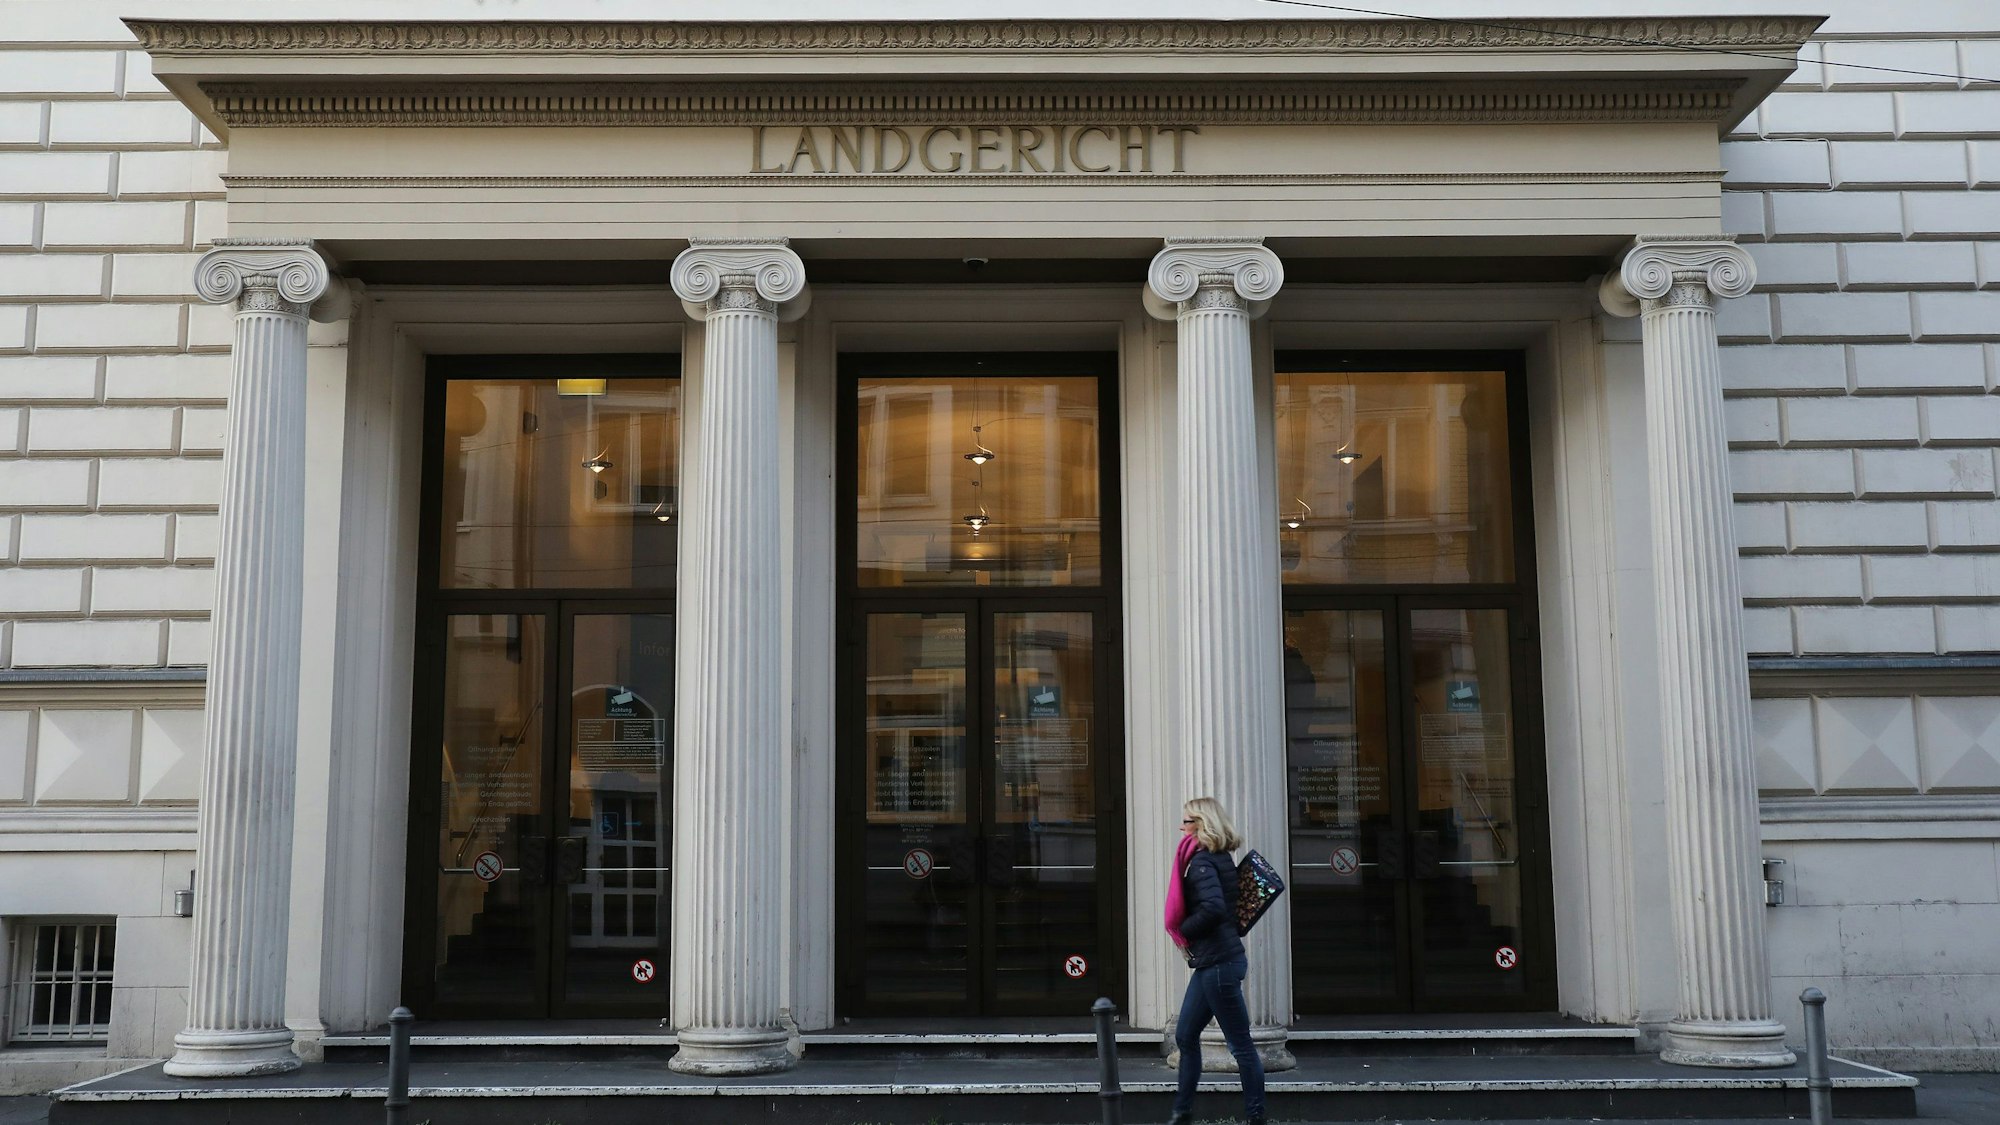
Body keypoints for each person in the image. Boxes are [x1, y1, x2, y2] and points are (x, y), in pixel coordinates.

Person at [1163, 795, 1265, 1125]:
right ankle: (1183, 1112)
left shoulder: (1203, 862)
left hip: (1219, 963)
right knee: (1186, 1036)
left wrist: (1183, 930)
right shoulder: (1218, 858)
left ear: (1202, 824)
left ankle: (1255, 1118)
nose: (1182, 827)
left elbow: (1214, 909)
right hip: (1216, 961)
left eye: (1187, 821)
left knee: (1241, 1047)